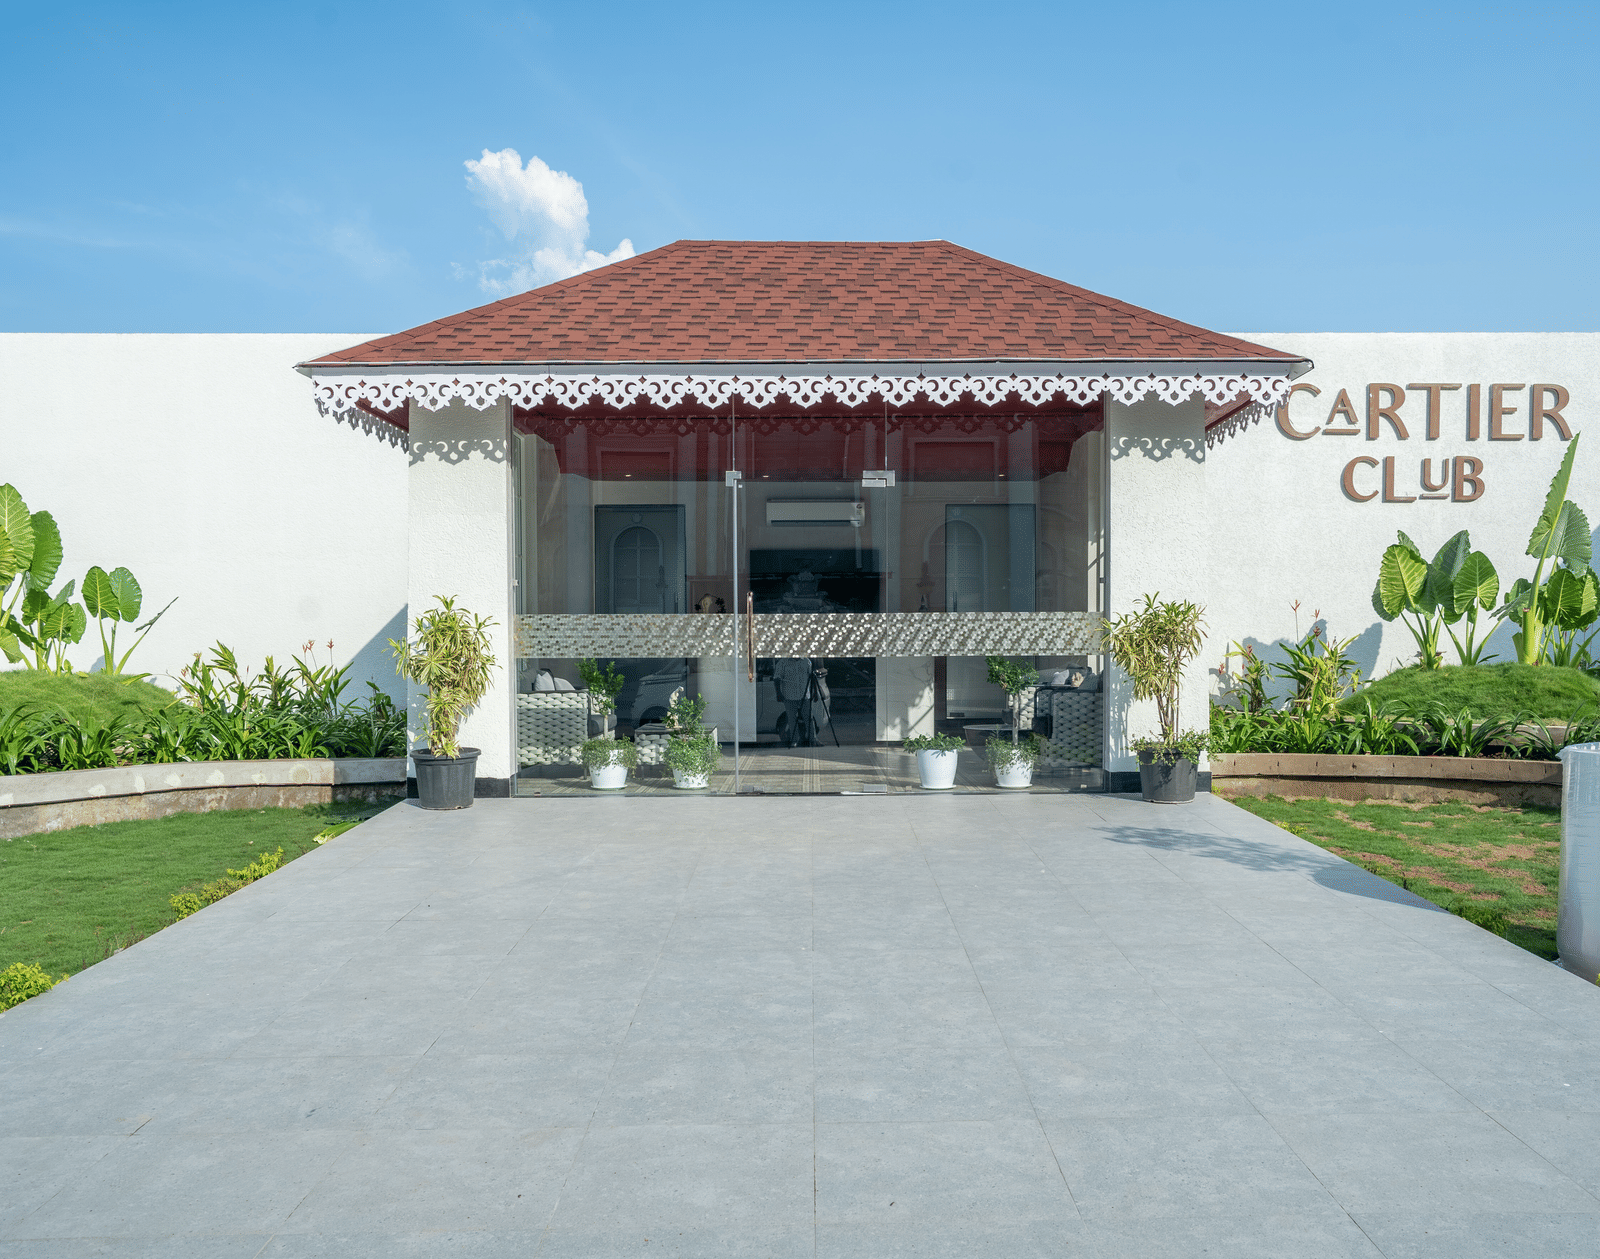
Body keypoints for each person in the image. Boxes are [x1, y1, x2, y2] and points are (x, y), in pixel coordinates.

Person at [772, 657, 814, 747]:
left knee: (809, 718)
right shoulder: (782, 662)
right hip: (789, 695)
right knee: (792, 719)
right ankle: (794, 740)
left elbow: (812, 678)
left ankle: (813, 739)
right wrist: (778, 693)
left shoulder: (806, 661)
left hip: (804, 695)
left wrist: (814, 692)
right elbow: (776, 678)